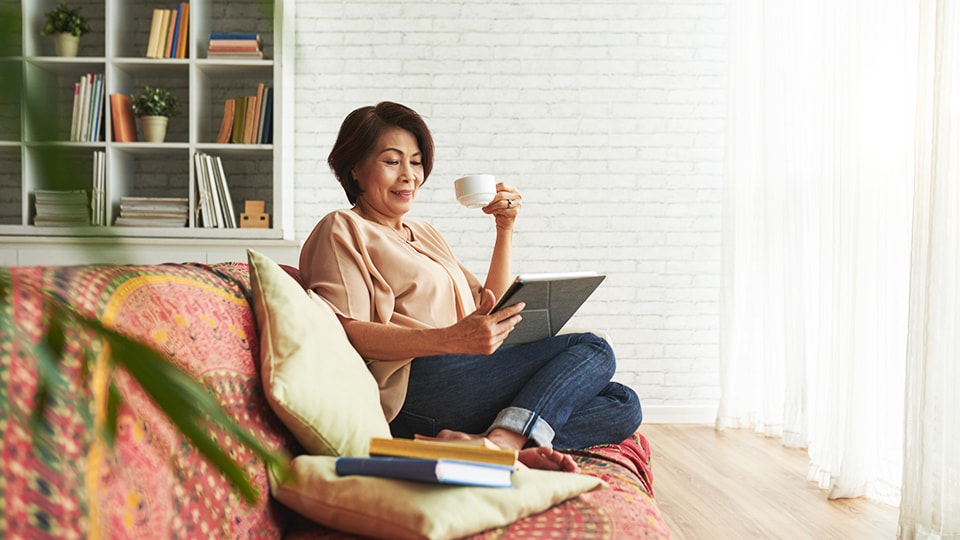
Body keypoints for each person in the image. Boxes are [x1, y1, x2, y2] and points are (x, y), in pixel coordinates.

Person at [299, 102, 643, 472]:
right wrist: (449, 339)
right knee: (591, 347)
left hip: (466, 374)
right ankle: (502, 442)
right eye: (392, 161)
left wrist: (504, 229)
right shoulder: (343, 228)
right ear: (355, 168)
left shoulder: (426, 233)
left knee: (622, 402)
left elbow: (490, 305)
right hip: (418, 388)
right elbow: (345, 332)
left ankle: (482, 441)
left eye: (415, 162)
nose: (409, 176)